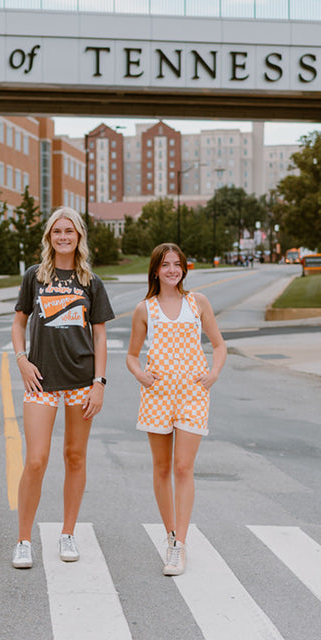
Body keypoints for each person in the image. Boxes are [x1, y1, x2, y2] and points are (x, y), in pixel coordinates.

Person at [11, 207, 115, 568]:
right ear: (49, 238)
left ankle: (68, 533)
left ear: (79, 236)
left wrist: (99, 383)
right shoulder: (34, 277)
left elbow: (100, 336)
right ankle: (24, 539)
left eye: (69, 231)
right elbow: (18, 323)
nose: (63, 237)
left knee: (75, 456)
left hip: (80, 381)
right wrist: (21, 359)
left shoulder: (91, 282)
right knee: (36, 460)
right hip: (41, 381)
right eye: (57, 231)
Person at [124, 243, 227, 576]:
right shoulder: (145, 309)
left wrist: (213, 374)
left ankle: (180, 544)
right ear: (155, 270)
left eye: (177, 264)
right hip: (157, 397)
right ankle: (170, 535)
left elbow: (219, 344)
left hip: (192, 396)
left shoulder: (197, 302)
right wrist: (140, 375)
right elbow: (132, 355)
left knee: (183, 467)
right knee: (162, 468)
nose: (172, 270)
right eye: (165, 265)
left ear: (184, 268)